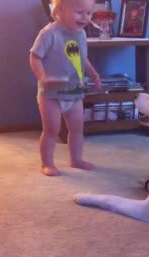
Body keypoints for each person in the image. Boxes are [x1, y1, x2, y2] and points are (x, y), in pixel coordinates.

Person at [30, 0, 102, 176]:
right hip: (51, 94)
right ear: (60, 10)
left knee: (77, 128)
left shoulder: (81, 34)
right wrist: (42, 76)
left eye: (89, 13)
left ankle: (76, 159)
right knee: (51, 130)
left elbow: (82, 58)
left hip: (74, 91)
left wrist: (93, 72)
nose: (85, 17)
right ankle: (47, 163)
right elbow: (35, 57)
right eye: (79, 12)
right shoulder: (49, 33)